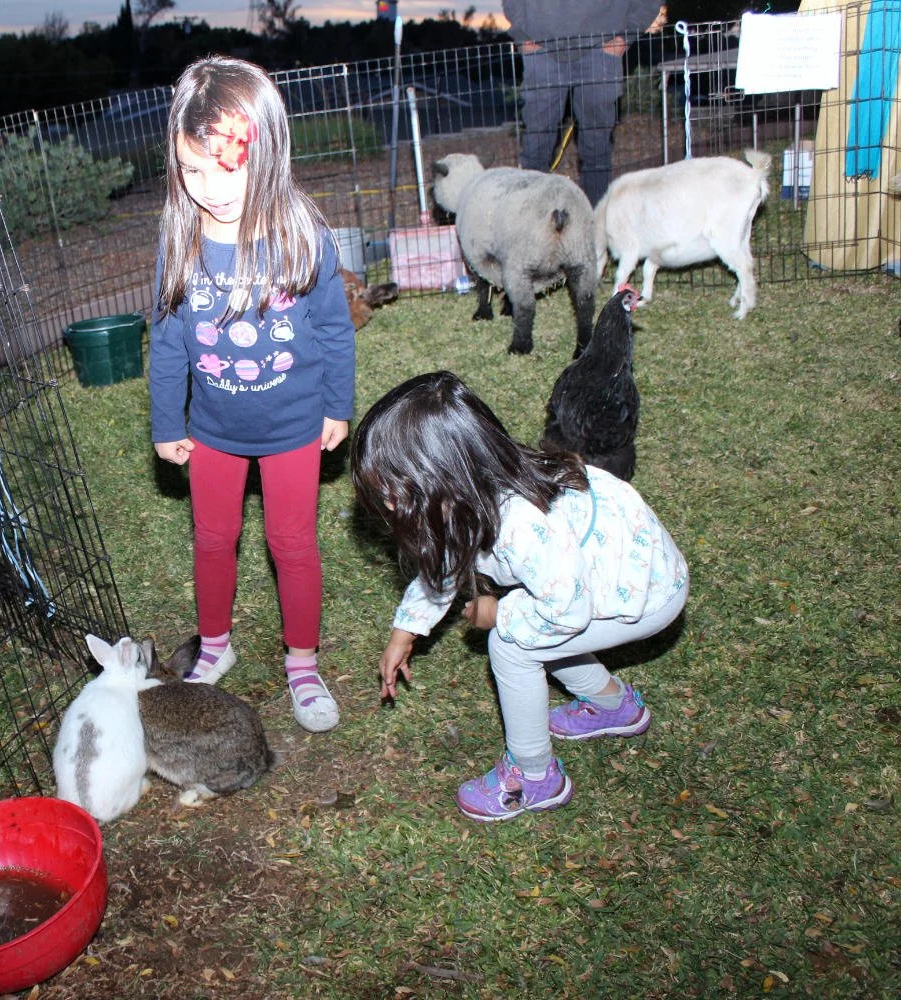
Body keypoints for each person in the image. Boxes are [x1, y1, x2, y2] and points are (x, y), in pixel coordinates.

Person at [350, 371, 689, 821]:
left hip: (644, 594)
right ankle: (614, 706)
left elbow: (565, 610)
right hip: (598, 581)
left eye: (394, 490)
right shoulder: (470, 492)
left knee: (513, 645)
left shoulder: (523, 524)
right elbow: (447, 564)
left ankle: (534, 777)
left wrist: (497, 612)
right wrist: (404, 632)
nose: (388, 505)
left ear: (441, 479)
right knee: (537, 631)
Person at [148, 55, 357, 734]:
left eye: (228, 167)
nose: (211, 187)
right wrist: (164, 420)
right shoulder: (180, 240)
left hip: (294, 424)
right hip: (212, 428)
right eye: (194, 170)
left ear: (265, 153)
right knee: (213, 537)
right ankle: (215, 644)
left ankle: (302, 661)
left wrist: (337, 404)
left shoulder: (303, 238)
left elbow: (332, 330)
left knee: (291, 541)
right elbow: (170, 341)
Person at [502, 0, 664, 205]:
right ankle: (532, 221)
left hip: (601, 49)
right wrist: (523, 34)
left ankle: (595, 222)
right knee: (536, 145)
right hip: (541, 48)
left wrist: (625, 37)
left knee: (597, 148)